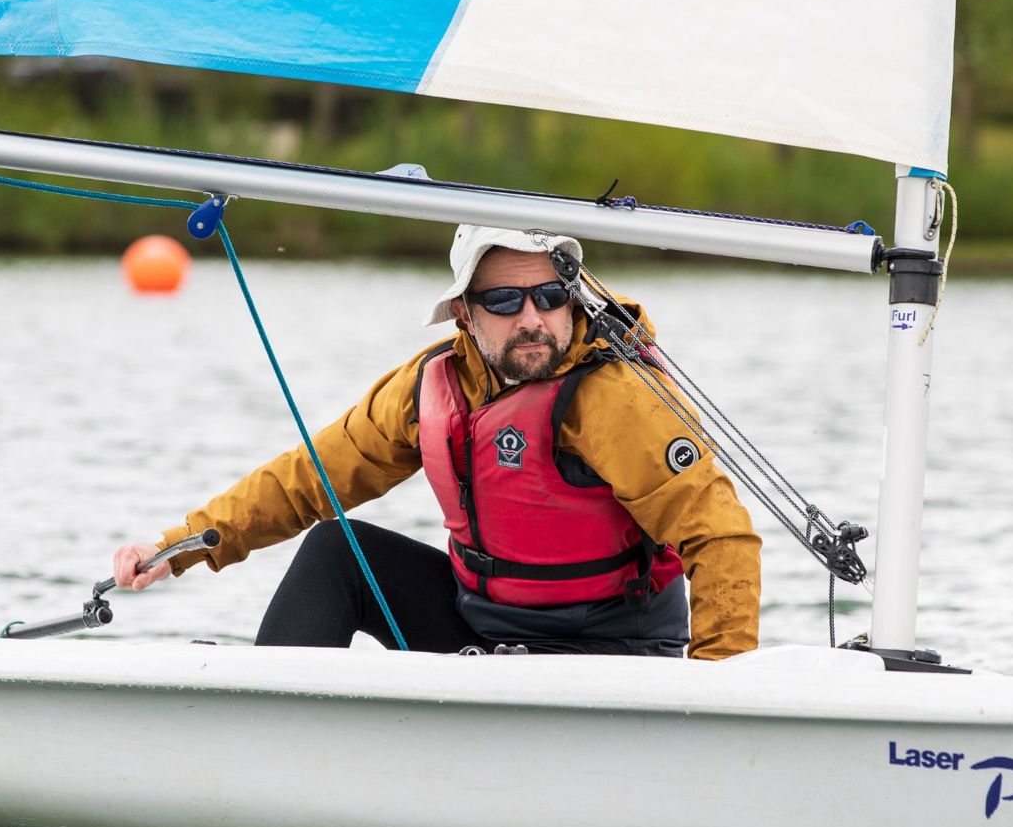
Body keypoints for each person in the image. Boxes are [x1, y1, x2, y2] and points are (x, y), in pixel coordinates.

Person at [113, 226, 761, 660]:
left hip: (615, 656)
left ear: (572, 302)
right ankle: (267, 742)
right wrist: (181, 546)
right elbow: (309, 478)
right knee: (338, 550)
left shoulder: (617, 398)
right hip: (484, 630)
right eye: (504, 300)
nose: (532, 319)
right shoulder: (434, 384)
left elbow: (722, 537)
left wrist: (716, 698)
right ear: (464, 314)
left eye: (549, 296)